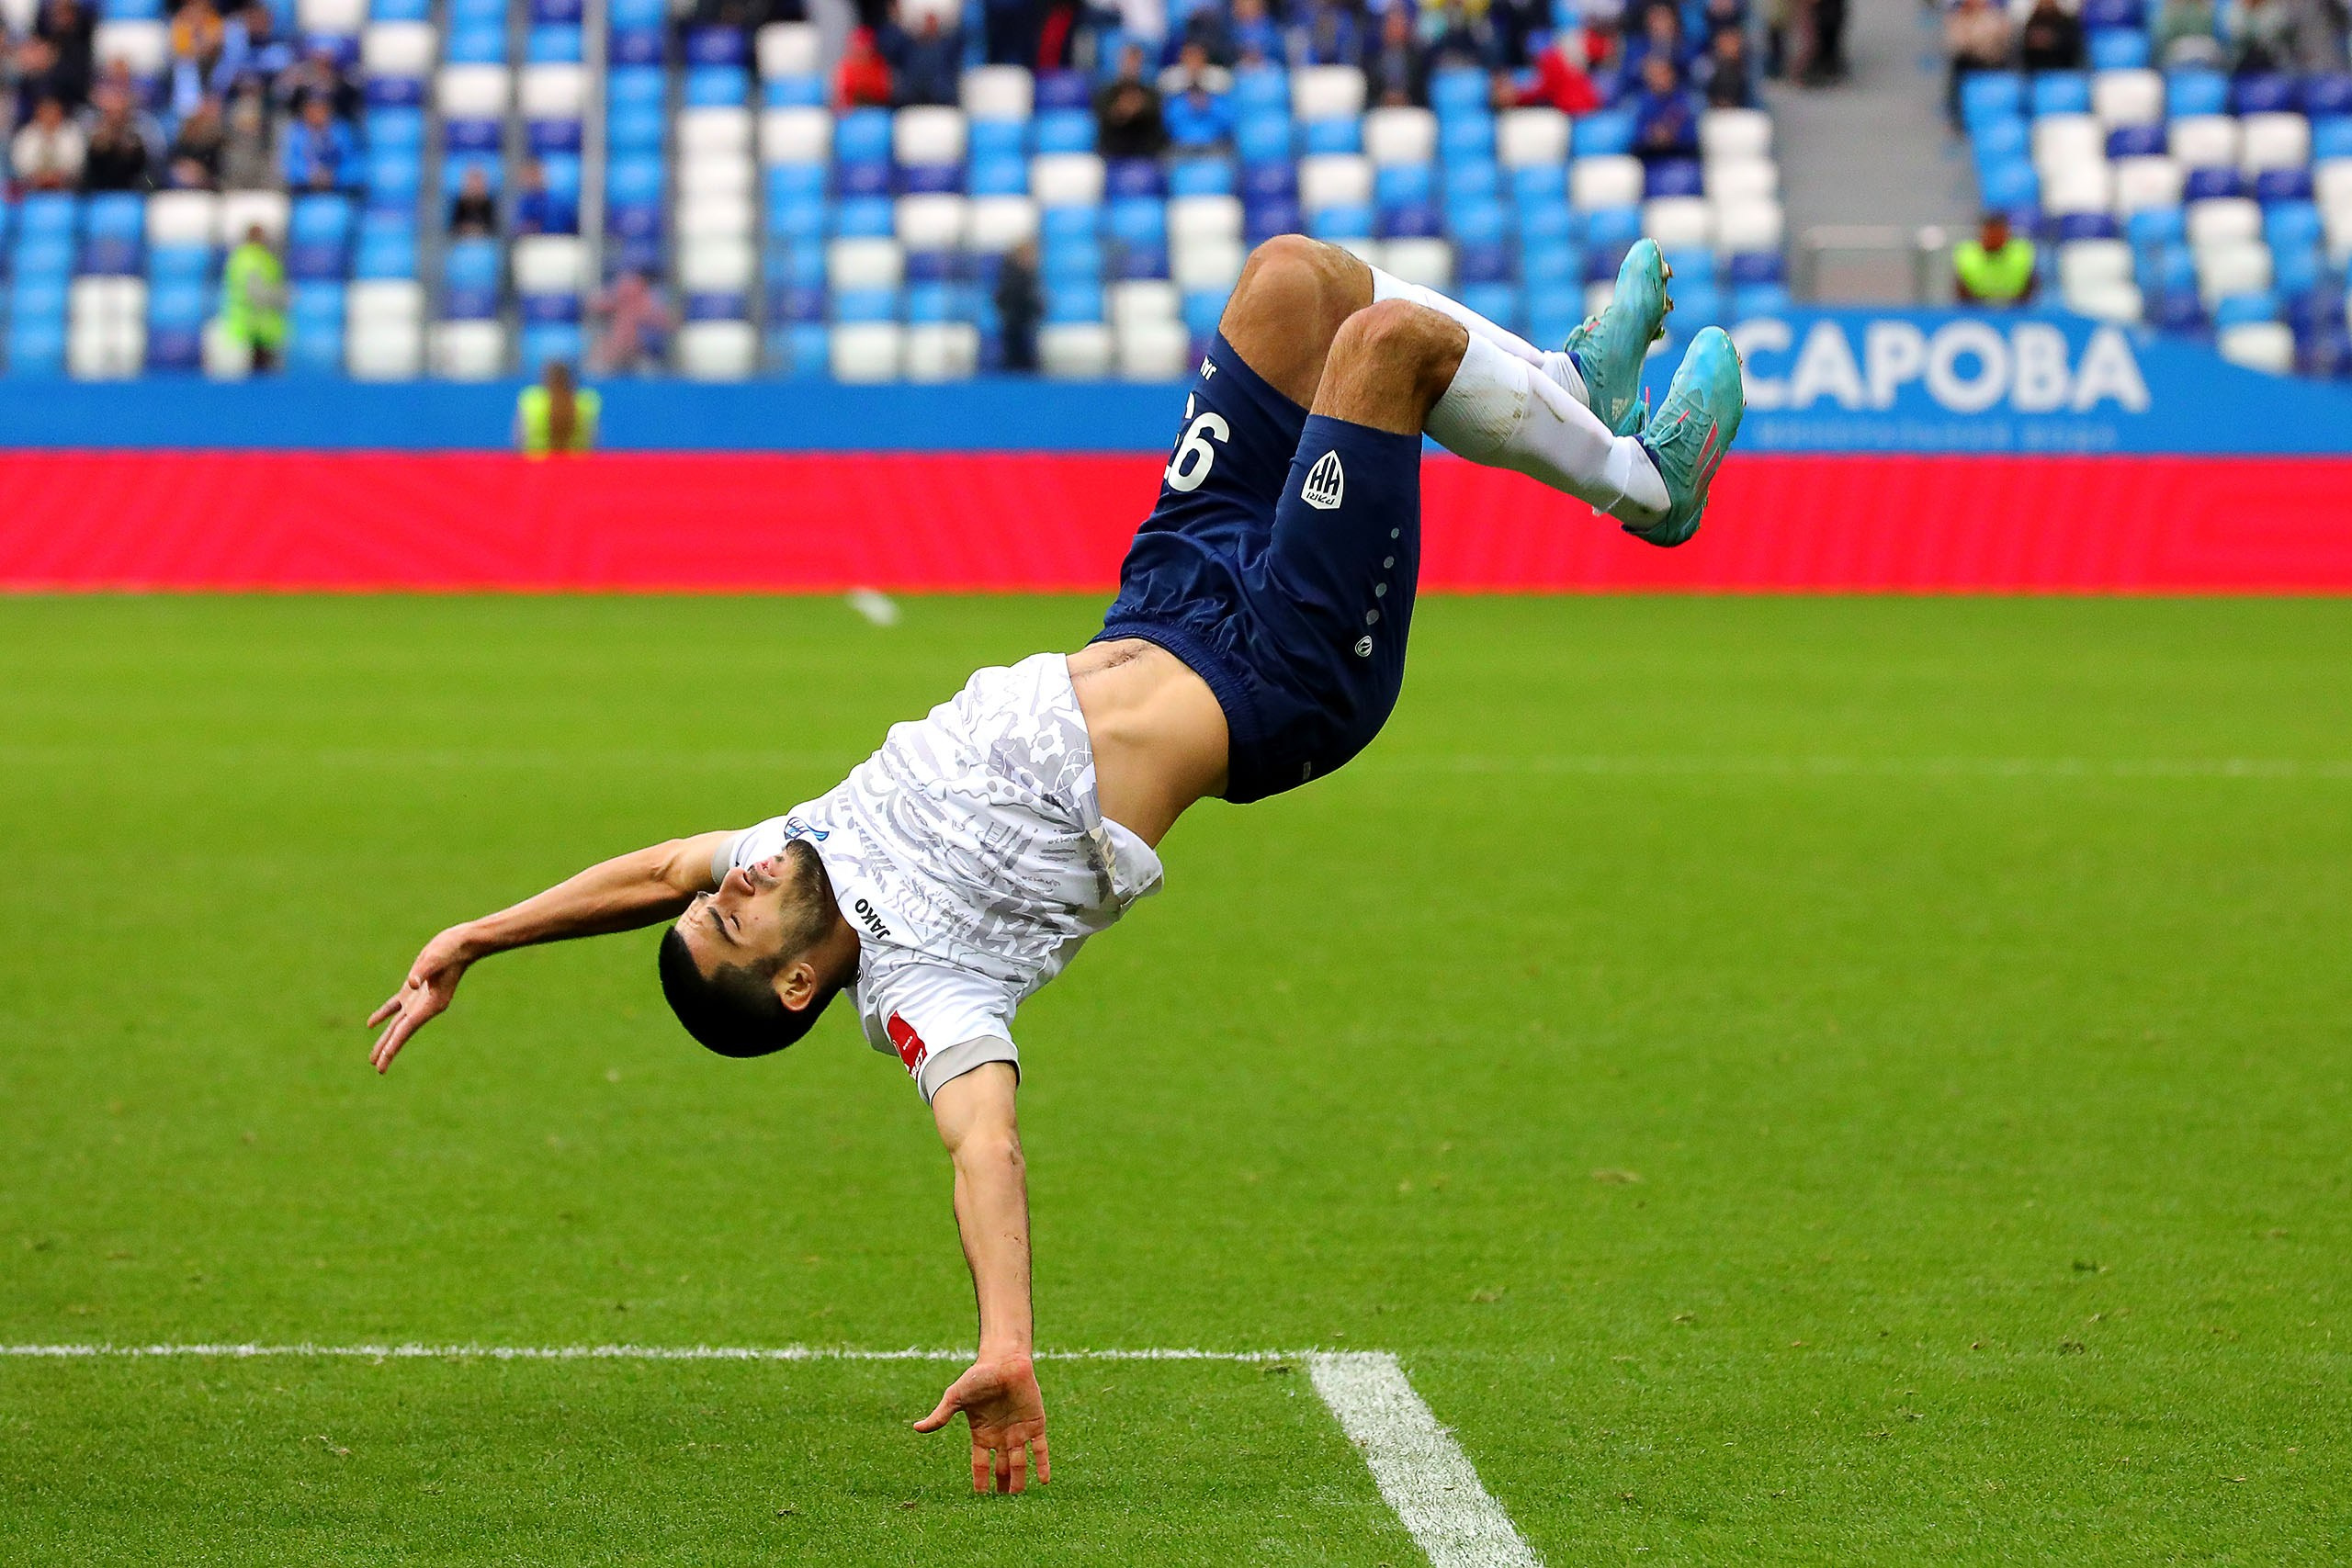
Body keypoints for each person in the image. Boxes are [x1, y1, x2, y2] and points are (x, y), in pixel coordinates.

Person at [366, 235, 1746, 1495]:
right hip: (1281, 675)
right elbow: (986, 1144)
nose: (721, 888)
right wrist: (1006, 1338)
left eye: (713, 900)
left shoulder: (804, 842)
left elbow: (657, 868)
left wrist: (476, 936)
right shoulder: (924, 986)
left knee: (1295, 284)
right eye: (730, 926)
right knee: (1385, 352)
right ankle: (1646, 486)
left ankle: (1567, 384)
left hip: (1166, 588)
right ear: (796, 985)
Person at [218, 220, 287, 371]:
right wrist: (282, 297)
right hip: (251, 332)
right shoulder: (249, 260)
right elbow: (255, 292)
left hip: (260, 331)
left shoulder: (257, 258)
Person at [1945, 0, 2013, 123]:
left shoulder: (1994, 18)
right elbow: (1957, 46)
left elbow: (2001, 43)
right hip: (1967, 68)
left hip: (1992, 66)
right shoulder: (1957, 19)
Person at [514, 360, 601, 456]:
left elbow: (519, 438)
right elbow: (594, 439)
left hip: (537, 464)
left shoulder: (531, 399)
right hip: (577, 465)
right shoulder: (586, 400)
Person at [1093, 48, 1168, 159]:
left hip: (1145, 153)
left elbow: (1157, 117)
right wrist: (1120, 111)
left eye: (1135, 62)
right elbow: (1102, 117)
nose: (1132, 67)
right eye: (1128, 61)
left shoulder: (1151, 93)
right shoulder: (1107, 93)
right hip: (1112, 152)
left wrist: (1140, 109)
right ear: (1120, 63)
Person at [78, 83, 153, 191]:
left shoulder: (136, 136)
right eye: (111, 113)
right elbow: (90, 165)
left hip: (130, 191)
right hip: (98, 191)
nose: (115, 118)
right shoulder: (95, 136)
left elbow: (141, 166)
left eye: (119, 113)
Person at [1952, 211, 2037, 306]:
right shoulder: (1966, 255)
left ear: (2007, 233)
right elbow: (1961, 290)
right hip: (1976, 312)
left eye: (1998, 233)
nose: (1994, 237)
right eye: (1990, 232)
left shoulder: (2022, 253)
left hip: (2015, 311)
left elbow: (2031, 286)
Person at [1630, 53, 1701, 160]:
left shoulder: (1689, 101)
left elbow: (1694, 135)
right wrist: (1651, 135)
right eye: (1654, 75)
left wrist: (1673, 136)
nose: (1659, 79)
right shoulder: (1639, 103)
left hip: (1682, 159)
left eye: (1663, 74)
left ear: (1672, 75)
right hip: (1649, 159)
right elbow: (1634, 135)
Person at [279, 94, 354, 191]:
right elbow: (288, 164)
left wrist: (335, 176)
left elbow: (353, 163)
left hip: (338, 190)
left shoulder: (341, 131)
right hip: (303, 191)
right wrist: (310, 175)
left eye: (322, 109)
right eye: (312, 109)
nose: (317, 114)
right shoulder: (294, 132)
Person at [10, 93, 85, 188]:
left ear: (60, 111)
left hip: (67, 188)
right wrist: (39, 178)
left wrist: (57, 177)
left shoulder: (73, 133)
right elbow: (20, 165)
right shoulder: (26, 135)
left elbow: (77, 163)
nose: (50, 115)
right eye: (45, 111)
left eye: (53, 110)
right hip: (32, 189)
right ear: (38, 112)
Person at [993, 236, 1042, 371]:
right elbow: (1002, 298)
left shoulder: (1028, 276)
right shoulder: (1012, 277)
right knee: (1016, 361)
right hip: (1015, 325)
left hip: (1023, 324)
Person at [168, 94, 227, 187]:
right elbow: (174, 159)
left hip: (211, 185)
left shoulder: (221, 140)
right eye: (208, 109)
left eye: (214, 110)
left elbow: (222, 168)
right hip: (182, 182)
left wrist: (202, 174)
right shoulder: (186, 134)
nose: (210, 114)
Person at [834, 24, 894, 108]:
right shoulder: (845, 68)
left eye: (865, 47)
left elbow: (884, 94)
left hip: (876, 111)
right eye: (859, 47)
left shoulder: (880, 66)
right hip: (851, 113)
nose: (862, 51)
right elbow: (841, 98)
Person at [513, 157, 577, 235]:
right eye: (525, 176)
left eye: (532, 175)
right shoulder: (524, 201)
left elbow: (558, 229)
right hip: (531, 243)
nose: (528, 180)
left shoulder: (556, 202)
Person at [2017, 0, 2084, 71]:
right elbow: (2023, 51)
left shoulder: (2067, 23)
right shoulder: (2032, 22)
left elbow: (2073, 48)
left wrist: (2052, 40)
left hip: (2063, 72)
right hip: (2035, 72)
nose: (2045, 3)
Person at [447, 164, 496, 236]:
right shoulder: (459, 204)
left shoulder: (490, 204)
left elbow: (494, 229)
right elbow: (453, 228)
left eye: (478, 181)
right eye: (472, 181)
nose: (475, 185)